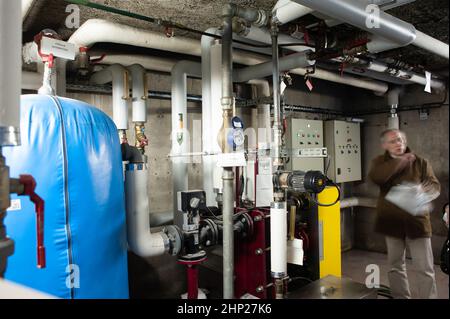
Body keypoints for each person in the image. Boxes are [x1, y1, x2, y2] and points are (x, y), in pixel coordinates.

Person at [368, 129, 440, 299]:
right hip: (391, 222)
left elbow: (435, 185)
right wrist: (399, 162)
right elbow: (376, 178)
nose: (398, 144)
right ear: (384, 145)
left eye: (400, 140)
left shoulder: (421, 162)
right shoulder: (379, 162)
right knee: (395, 266)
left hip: (417, 222)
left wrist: (424, 190)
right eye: (392, 141)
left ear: (405, 141)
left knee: (425, 268)